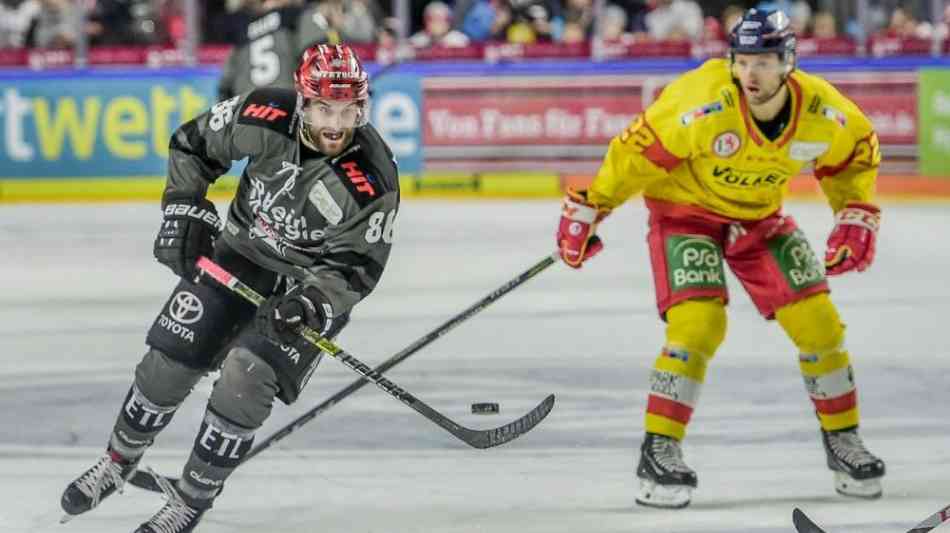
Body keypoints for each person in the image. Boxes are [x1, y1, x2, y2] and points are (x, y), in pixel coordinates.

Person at [60, 43, 400, 532]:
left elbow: (356, 268)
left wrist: (310, 304)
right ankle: (117, 461)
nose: (335, 122)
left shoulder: (371, 177)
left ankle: (191, 500)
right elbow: (193, 144)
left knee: (246, 377)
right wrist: (183, 206)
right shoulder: (264, 114)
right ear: (304, 101)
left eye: (348, 109)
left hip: (305, 287)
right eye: (325, 106)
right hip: (239, 255)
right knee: (169, 360)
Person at [556, 8, 885, 509]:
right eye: (742, 61)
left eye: (764, 62)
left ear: (788, 63)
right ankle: (659, 447)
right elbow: (633, 154)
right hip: (684, 215)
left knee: (820, 324)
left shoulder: (823, 111)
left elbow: (856, 154)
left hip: (759, 218)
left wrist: (855, 210)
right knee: (698, 325)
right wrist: (592, 205)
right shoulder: (701, 102)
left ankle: (843, 440)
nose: (750, 74)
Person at [217, 0, 305, 102]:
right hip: (287, 104)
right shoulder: (295, 15)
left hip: (248, 108)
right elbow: (316, 55)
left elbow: (225, 85)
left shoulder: (243, 30)